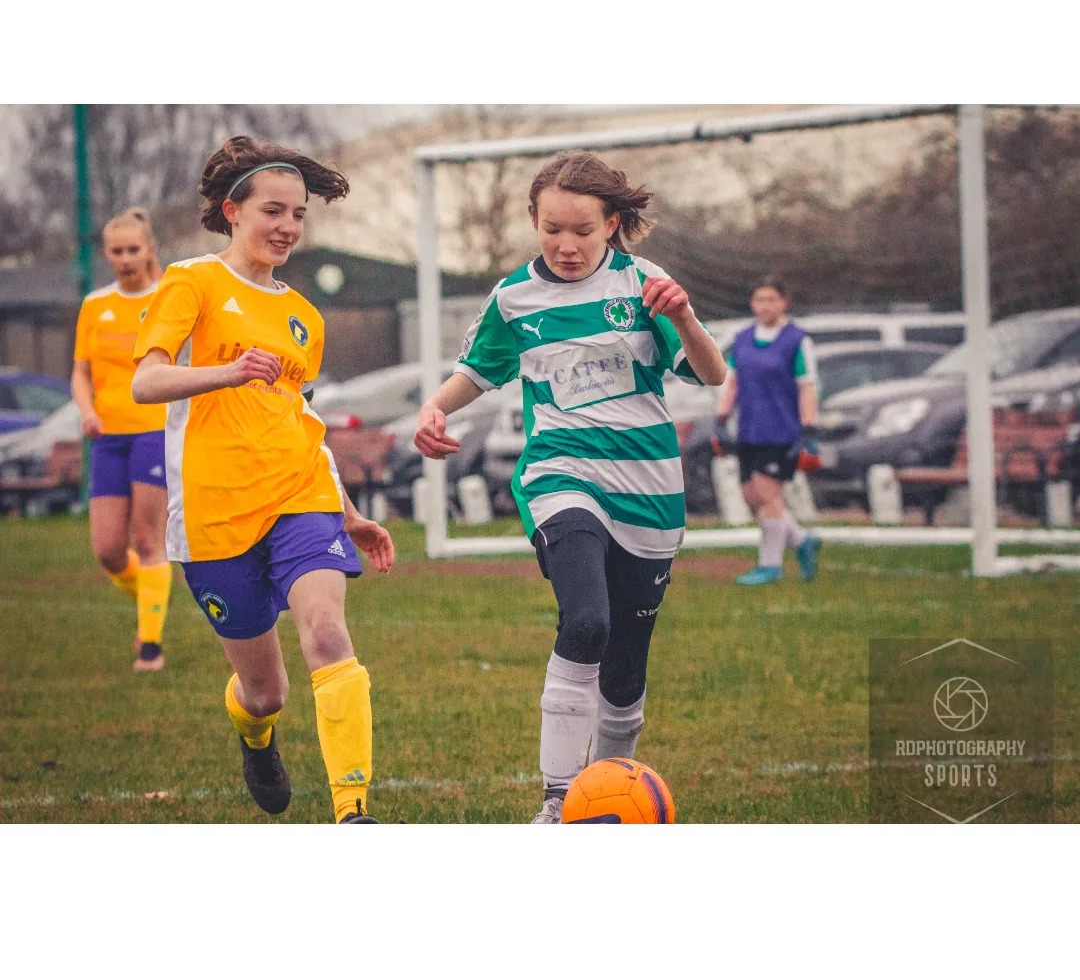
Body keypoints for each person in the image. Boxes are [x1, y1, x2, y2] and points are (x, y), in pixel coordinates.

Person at [413, 151, 727, 823]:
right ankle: (557, 804)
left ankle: (612, 795)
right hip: (559, 474)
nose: (565, 244)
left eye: (582, 230)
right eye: (551, 228)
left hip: (649, 491)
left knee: (624, 673)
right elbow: (479, 369)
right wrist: (434, 408)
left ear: (612, 224)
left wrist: (689, 318)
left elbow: (712, 375)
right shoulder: (513, 298)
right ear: (533, 221)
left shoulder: (646, 284)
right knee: (585, 621)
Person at [131, 135, 395, 824]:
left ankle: (353, 810)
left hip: (300, 495)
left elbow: (297, 419)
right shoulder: (192, 282)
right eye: (274, 211)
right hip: (216, 515)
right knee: (266, 691)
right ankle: (256, 735)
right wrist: (228, 369)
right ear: (233, 210)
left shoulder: (304, 317)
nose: (288, 228)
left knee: (328, 633)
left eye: (299, 215)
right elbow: (146, 380)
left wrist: (349, 511)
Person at [71, 208, 172, 673]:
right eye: (117, 251)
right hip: (107, 437)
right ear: (106, 255)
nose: (126, 258)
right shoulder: (95, 304)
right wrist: (87, 412)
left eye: (134, 249)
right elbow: (80, 372)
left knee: (148, 539)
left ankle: (149, 644)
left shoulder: (167, 298)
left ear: (149, 249)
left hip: (153, 431)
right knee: (109, 551)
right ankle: (152, 599)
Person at [714, 276, 822, 585]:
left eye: (771, 299)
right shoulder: (743, 338)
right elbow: (732, 381)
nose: (765, 305)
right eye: (759, 299)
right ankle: (802, 540)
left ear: (784, 302)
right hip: (748, 430)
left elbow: (807, 388)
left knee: (768, 495)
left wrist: (809, 429)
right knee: (752, 498)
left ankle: (770, 566)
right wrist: (721, 418)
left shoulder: (797, 340)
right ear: (752, 303)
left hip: (782, 430)